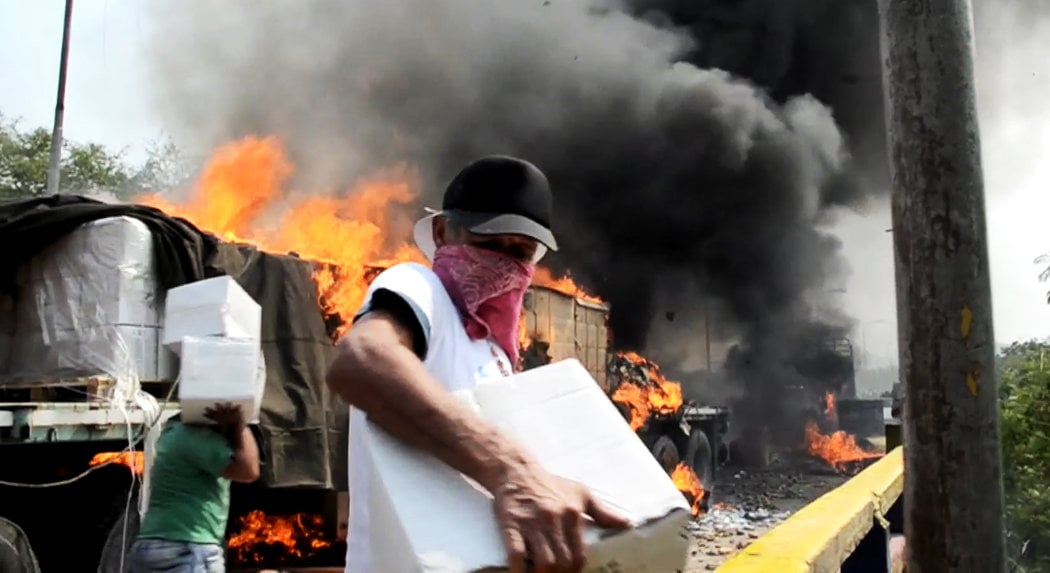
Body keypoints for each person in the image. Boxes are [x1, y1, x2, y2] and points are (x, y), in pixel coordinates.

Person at [326, 155, 631, 573]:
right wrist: (512, 472)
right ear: (441, 232)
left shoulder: (496, 354)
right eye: (487, 243)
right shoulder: (418, 288)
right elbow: (361, 360)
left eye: (519, 251)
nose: (503, 262)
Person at [129, 403, 260, 573]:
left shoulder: (172, 433)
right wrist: (240, 424)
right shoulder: (199, 440)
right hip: (188, 547)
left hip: (151, 544)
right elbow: (249, 471)